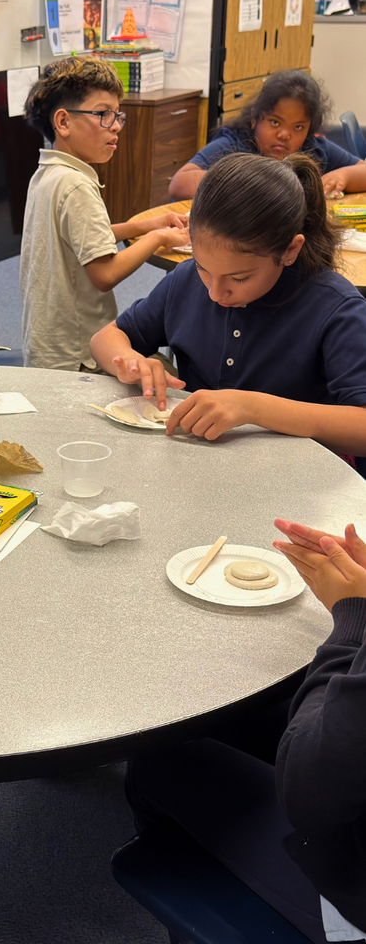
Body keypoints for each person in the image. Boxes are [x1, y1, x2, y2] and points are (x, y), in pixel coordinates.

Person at [125, 515, 366, 943]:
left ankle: (211, 895)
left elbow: (309, 790)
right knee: (248, 718)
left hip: (350, 895)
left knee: (157, 761)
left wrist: (352, 621)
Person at [89, 152, 366, 466]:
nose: (215, 292)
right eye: (204, 269)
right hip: (200, 467)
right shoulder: (185, 280)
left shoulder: (334, 308)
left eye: (239, 277)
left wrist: (252, 408)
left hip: (297, 481)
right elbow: (105, 338)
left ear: (290, 250)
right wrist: (129, 361)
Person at [20, 57, 190, 371]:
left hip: (47, 348)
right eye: (102, 114)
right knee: (166, 373)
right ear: (64, 122)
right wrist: (158, 237)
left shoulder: (49, 172)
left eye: (117, 115)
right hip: (79, 356)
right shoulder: (76, 186)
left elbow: (82, 237)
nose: (115, 126)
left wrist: (145, 224)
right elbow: (105, 275)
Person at [169, 69, 366, 201]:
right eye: (275, 122)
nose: (284, 135)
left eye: (297, 127)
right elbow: (179, 184)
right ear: (255, 117)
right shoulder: (235, 143)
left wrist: (343, 175)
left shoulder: (312, 149)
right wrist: (243, 184)